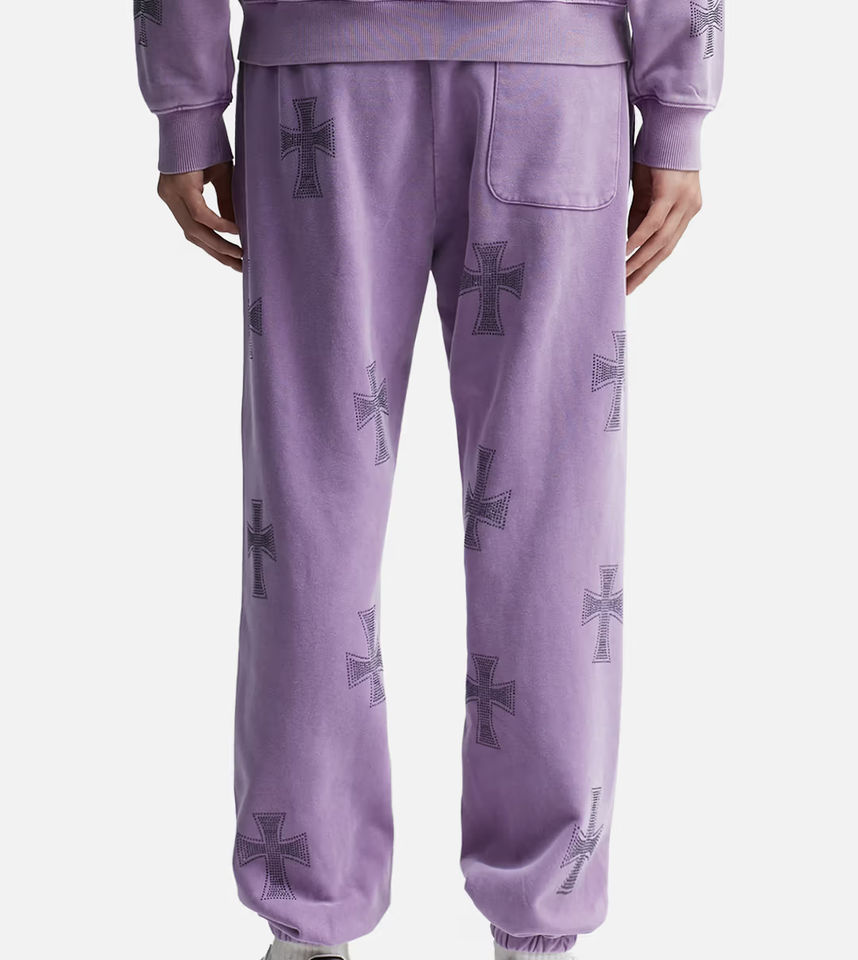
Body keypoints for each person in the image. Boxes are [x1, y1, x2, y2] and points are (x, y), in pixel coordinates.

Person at [134, 0, 723, 956]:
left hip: (323, 91)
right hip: (551, 82)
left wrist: (188, 104)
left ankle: (309, 918)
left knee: (312, 507)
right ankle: (536, 923)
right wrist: (679, 101)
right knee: (552, 523)